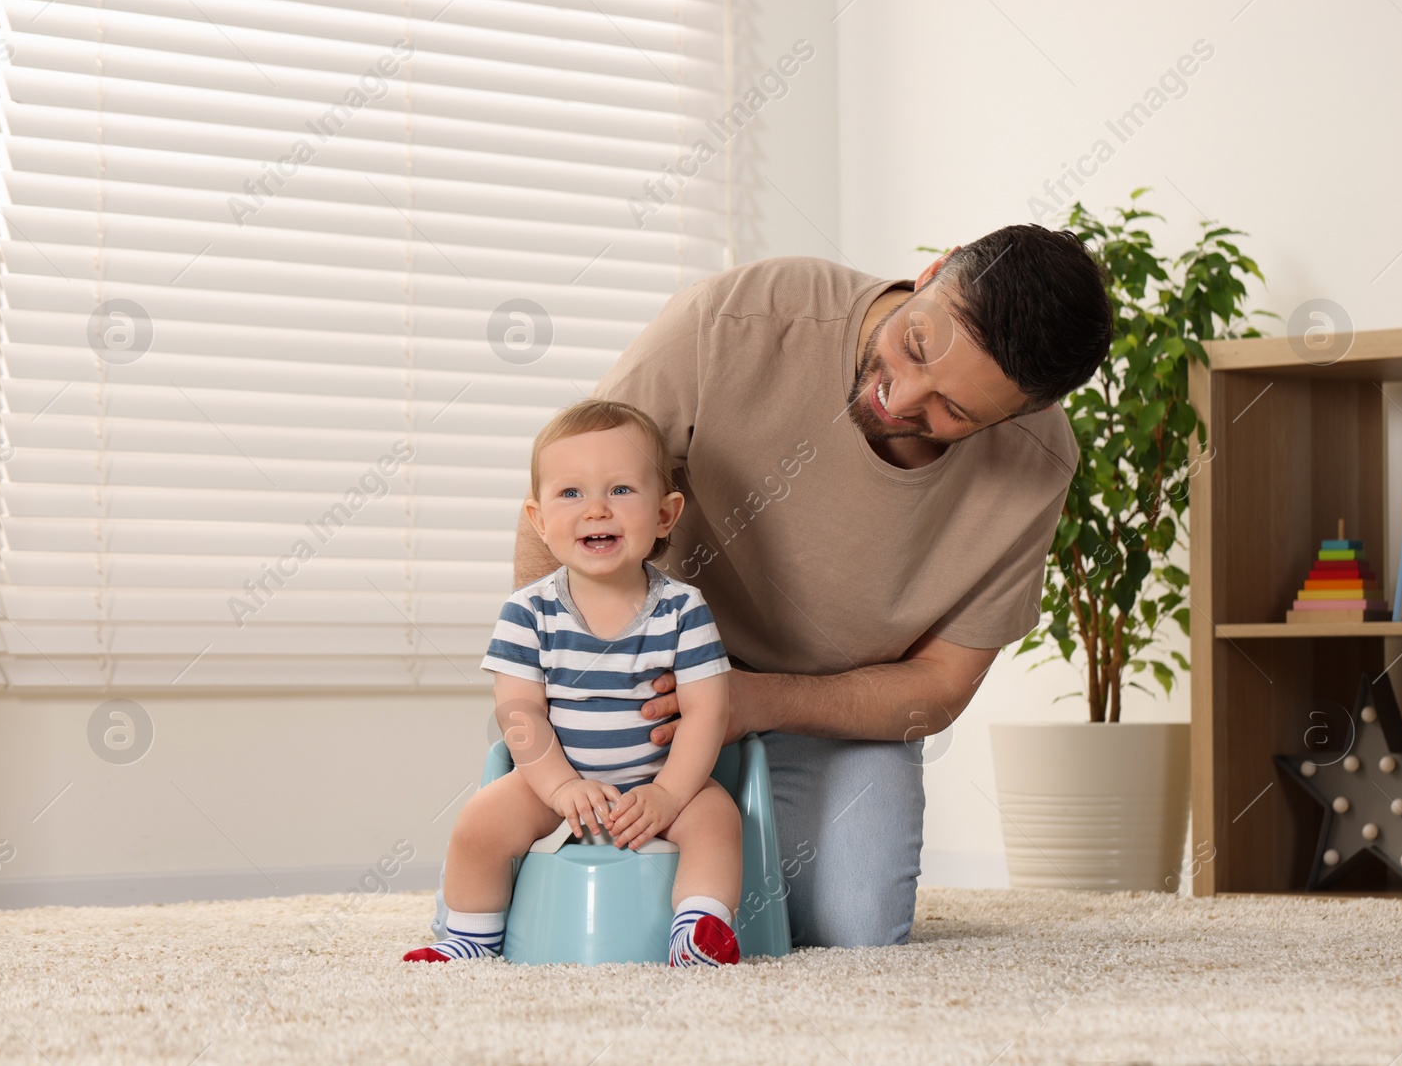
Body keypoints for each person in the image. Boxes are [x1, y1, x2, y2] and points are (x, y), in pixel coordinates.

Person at [505, 225, 1113, 949]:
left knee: (856, 932)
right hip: (640, 684)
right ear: (933, 270)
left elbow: (940, 686)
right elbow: (567, 503)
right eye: (916, 346)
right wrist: (556, 700)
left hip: (831, 715)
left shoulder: (1037, 463)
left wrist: (754, 701)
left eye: (956, 411)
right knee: (574, 901)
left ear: (1022, 414)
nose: (902, 396)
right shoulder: (741, 317)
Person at [405, 398, 744, 967]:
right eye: (571, 493)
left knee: (718, 819)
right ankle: (471, 935)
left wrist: (669, 793)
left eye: (620, 490)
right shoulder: (528, 612)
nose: (596, 511)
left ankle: (697, 927)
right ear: (538, 521)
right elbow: (521, 714)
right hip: (556, 785)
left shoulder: (683, 609)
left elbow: (709, 712)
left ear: (665, 514)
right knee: (479, 823)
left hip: (659, 781)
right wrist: (561, 789)